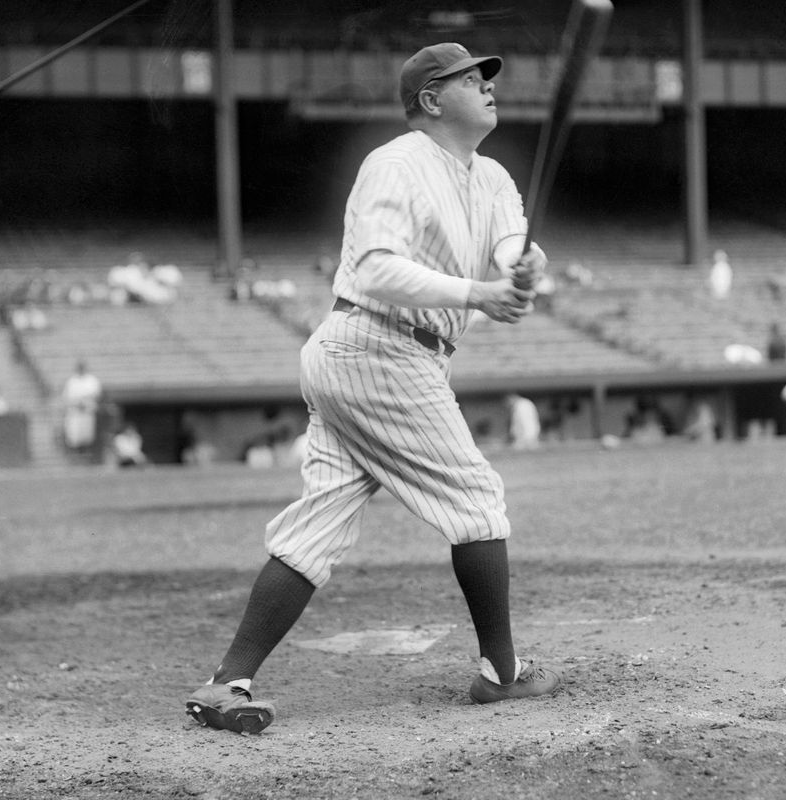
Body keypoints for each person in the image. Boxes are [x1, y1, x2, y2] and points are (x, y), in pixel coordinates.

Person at [184, 42, 560, 736]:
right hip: (377, 342)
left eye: (488, 78)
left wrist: (521, 273)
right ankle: (503, 673)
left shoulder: (495, 177)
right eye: (470, 79)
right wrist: (482, 292)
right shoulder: (395, 164)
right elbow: (379, 270)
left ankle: (224, 683)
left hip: (377, 353)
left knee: (318, 526)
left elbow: (510, 248)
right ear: (429, 99)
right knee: (477, 502)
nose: (487, 86)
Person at [61, 360, 102, 450]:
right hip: (75, 411)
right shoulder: (71, 381)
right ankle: (75, 449)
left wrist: (84, 401)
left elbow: (96, 394)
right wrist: (77, 403)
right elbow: (67, 396)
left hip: (87, 410)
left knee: (87, 432)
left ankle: (87, 448)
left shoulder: (92, 380)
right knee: (75, 432)